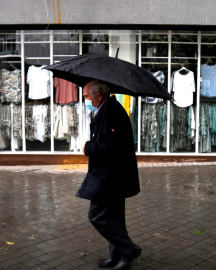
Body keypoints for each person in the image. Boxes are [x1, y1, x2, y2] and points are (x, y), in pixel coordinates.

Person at [77, 80, 142, 269]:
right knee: (114, 218)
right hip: (111, 174)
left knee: (97, 215)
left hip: (111, 176)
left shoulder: (112, 112)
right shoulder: (106, 108)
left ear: (98, 95)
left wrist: (89, 147)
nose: (85, 100)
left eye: (87, 97)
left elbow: (113, 147)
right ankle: (119, 256)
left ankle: (129, 250)